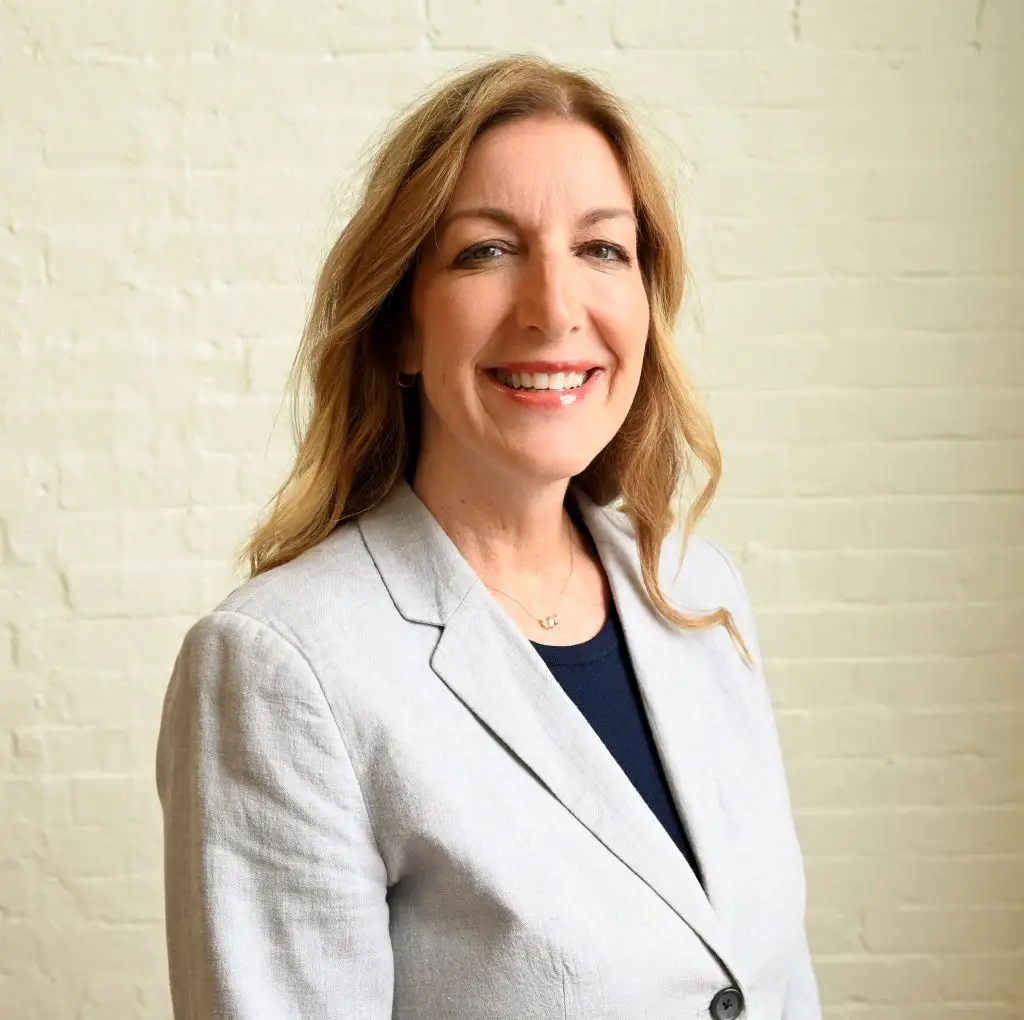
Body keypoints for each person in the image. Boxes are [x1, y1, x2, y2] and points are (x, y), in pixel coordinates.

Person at [156, 54, 821, 1020]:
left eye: (602, 250)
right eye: (486, 251)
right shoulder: (282, 669)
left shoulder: (697, 591)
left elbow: (772, 980)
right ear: (401, 330)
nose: (556, 309)